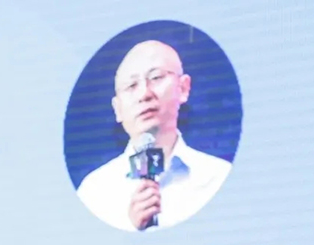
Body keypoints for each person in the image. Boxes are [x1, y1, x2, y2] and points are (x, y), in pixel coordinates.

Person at [76, 39, 232, 231]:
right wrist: (129, 227)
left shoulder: (219, 178)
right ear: (117, 109)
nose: (144, 94)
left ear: (183, 88)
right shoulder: (94, 192)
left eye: (156, 77)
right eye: (131, 86)